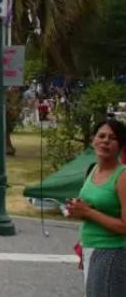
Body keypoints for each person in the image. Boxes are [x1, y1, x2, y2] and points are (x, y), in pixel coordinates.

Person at [66, 120, 126, 297]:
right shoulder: (93, 170)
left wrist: (89, 212)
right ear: (93, 140)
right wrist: (77, 209)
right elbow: (94, 207)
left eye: (112, 138)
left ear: (121, 146)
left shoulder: (122, 177)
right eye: (101, 136)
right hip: (91, 248)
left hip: (112, 253)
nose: (105, 141)